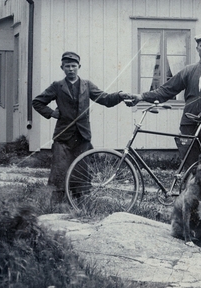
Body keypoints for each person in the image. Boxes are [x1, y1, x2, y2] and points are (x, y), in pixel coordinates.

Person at [32, 51, 129, 202]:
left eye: (73, 66)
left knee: (82, 170)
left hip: (82, 136)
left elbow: (105, 99)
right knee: (60, 170)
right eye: (67, 66)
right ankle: (57, 204)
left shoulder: (87, 85)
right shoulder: (57, 86)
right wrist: (51, 113)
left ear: (79, 67)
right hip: (63, 137)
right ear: (62, 68)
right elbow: (37, 102)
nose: (71, 69)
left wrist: (120, 95)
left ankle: (81, 204)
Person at [138, 33, 201, 171]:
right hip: (188, 124)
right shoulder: (188, 71)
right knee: (189, 165)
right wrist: (142, 96)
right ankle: (190, 185)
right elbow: (166, 90)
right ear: (197, 49)